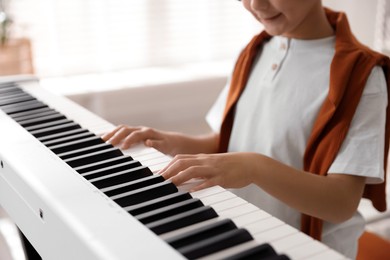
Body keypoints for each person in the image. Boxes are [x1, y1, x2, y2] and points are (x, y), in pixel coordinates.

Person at [102, 0, 390, 258]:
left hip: (307, 249)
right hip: (243, 233)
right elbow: (230, 144)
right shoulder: (255, 50)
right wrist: (170, 141)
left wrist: (255, 167)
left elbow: (341, 203)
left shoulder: (363, 75)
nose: (256, 5)